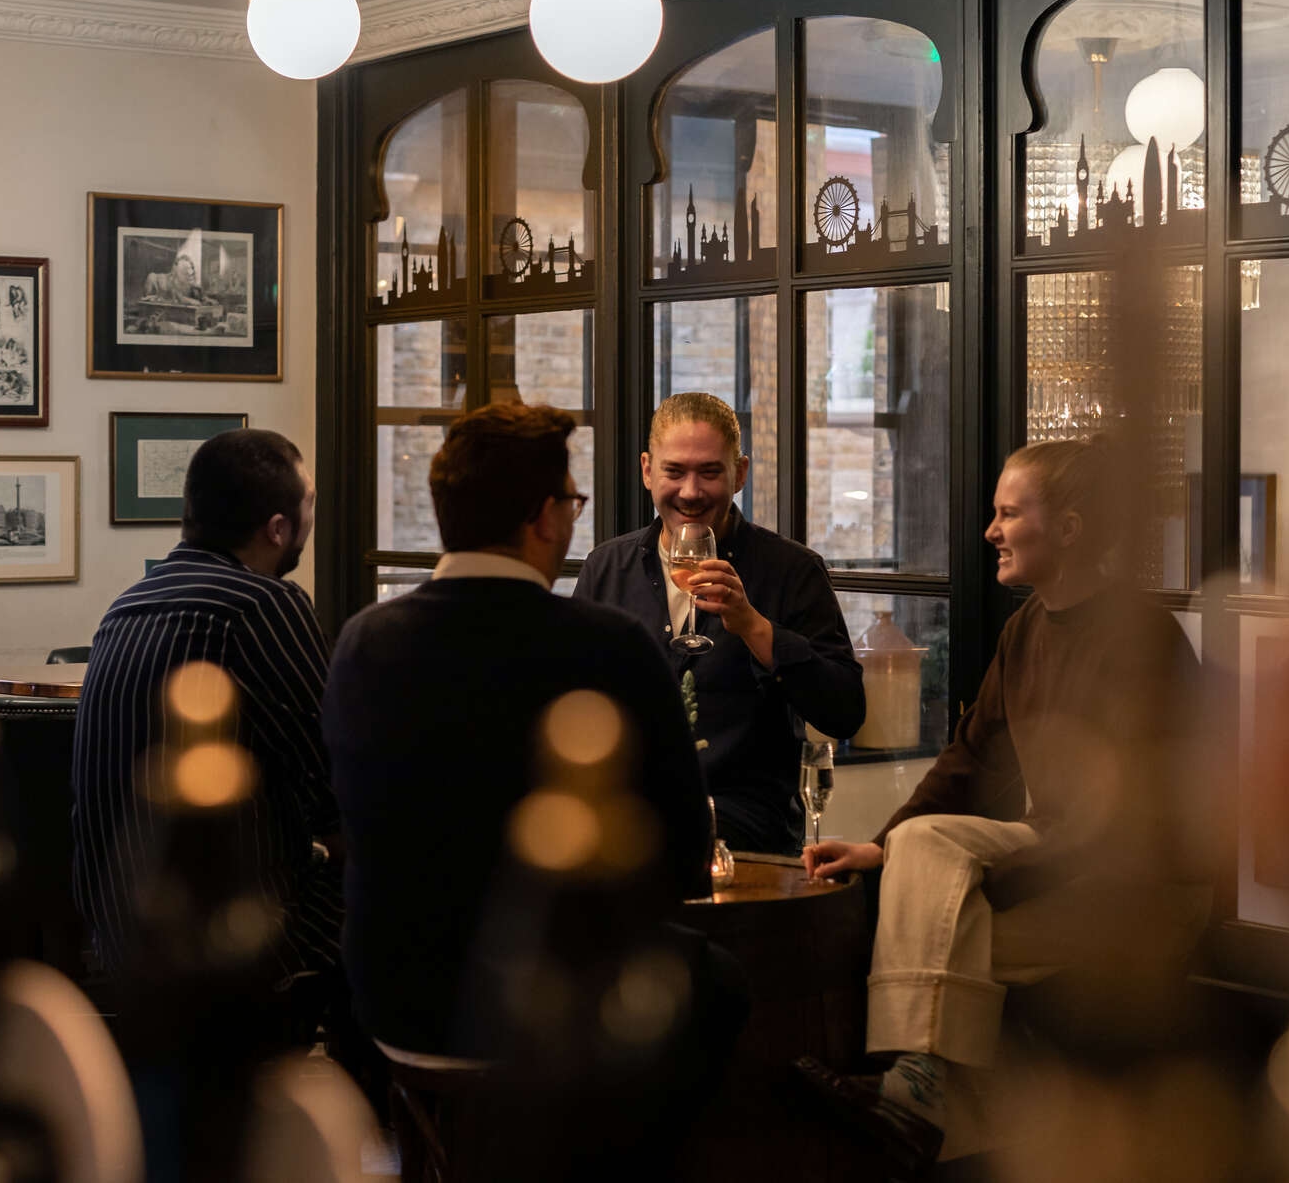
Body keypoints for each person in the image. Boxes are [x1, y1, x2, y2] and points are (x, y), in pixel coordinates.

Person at [325, 403, 738, 1177]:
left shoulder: (363, 641)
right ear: (545, 517)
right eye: (572, 503)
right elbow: (685, 857)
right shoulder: (605, 644)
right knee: (716, 986)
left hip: (388, 1004)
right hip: (554, 1016)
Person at [796, 438, 1206, 1174]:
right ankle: (949, 1121)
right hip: (1058, 862)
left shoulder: (1141, 638)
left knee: (940, 920)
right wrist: (881, 846)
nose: (989, 531)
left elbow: (1135, 820)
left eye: (1008, 512)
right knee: (935, 900)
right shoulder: (1025, 630)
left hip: (1138, 888)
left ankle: (918, 1088)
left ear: (1071, 529)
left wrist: (964, 875)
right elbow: (969, 757)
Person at [72, 428, 342, 1010]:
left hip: (121, 941)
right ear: (278, 528)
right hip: (235, 947)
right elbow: (333, 784)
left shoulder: (127, 605)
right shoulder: (264, 604)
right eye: (310, 504)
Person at [575, 392, 865, 854]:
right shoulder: (607, 568)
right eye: (675, 472)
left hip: (749, 825)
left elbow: (845, 710)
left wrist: (753, 627)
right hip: (627, 816)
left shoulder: (792, 570)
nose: (691, 492)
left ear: (740, 474)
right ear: (648, 470)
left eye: (710, 472)